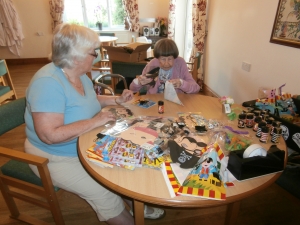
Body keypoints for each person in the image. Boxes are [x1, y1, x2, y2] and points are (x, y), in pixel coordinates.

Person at [24, 23, 164, 225]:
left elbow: (89, 101)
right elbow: (50, 135)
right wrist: (95, 121)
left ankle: (133, 204)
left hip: (84, 143)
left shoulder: (78, 74)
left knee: (121, 170)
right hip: (54, 157)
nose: (97, 56)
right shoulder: (47, 84)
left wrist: (116, 100)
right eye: (93, 52)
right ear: (76, 56)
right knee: (105, 192)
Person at [129, 38, 200, 94]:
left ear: (174, 57)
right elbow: (132, 89)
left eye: (170, 59)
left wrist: (182, 83)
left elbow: (196, 88)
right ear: (157, 58)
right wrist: (138, 82)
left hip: (175, 102)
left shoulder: (180, 63)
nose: (166, 63)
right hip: (154, 101)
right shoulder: (153, 64)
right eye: (163, 59)